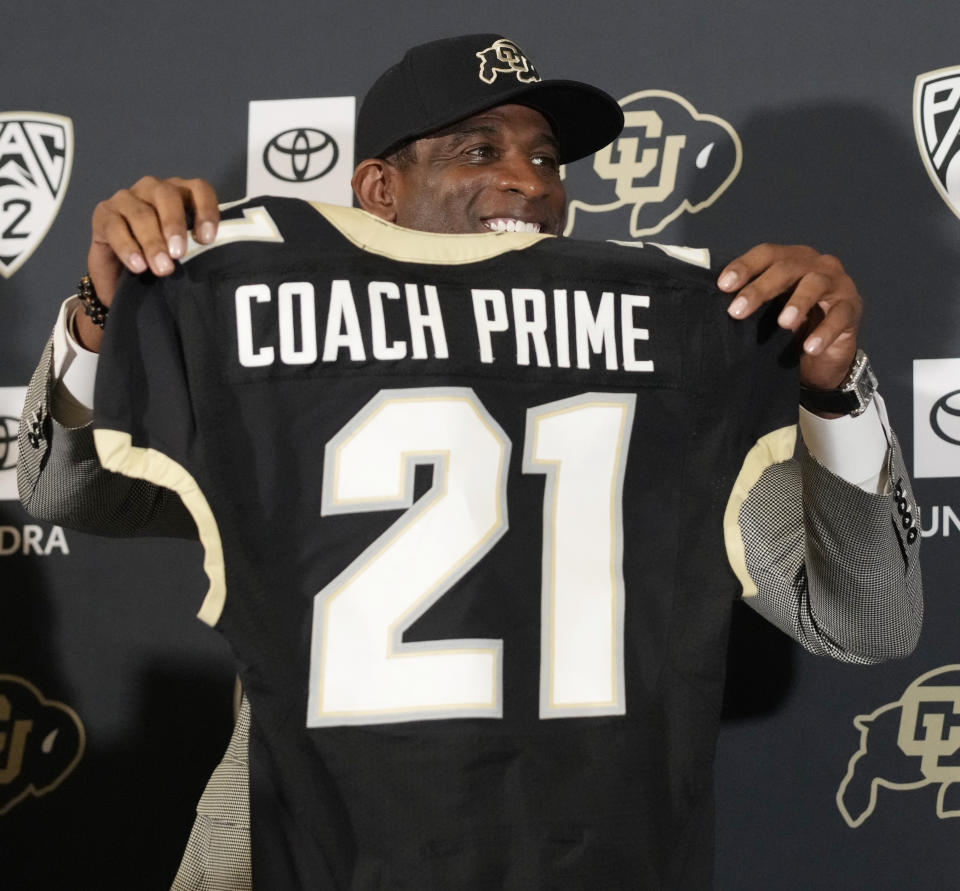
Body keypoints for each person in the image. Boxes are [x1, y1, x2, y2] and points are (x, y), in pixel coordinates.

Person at [19, 33, 921, 890]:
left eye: (545, 158)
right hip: (293, 854)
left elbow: (867, 620)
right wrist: (104, 304)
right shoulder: (266, 326)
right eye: (477, 149)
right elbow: (64, 485)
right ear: (377, 188)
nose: (525, 182)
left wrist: (831, 388)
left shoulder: (665, 359)